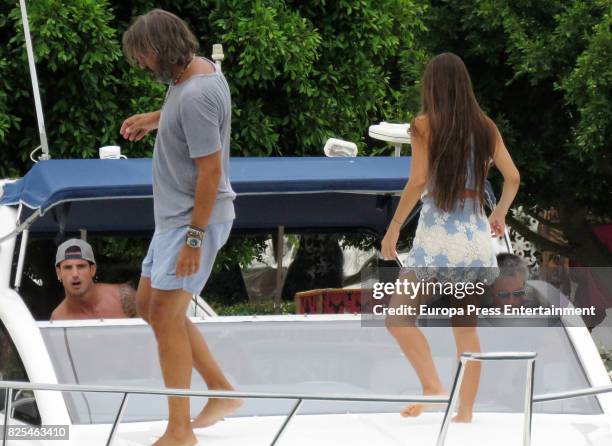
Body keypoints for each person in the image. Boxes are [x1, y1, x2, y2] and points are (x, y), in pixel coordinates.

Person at [121, 9, 240, 446]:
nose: (140, 65)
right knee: (150, 306)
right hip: (172, 219)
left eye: (141, 57)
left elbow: (210, 173)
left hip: (193, 222)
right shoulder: (195, 76)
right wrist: (151, 119)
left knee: (167, 317)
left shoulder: (194, 94)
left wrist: (194, 237)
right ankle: (222, 392)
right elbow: (189, 116)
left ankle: (179, 430)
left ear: (158, 49)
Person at [381, 53, 520, 422]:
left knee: (399, 317)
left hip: (438, 235)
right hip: (474, 238)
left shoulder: (424, 124)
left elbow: (419, 180)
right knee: (465, 330)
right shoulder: (485, 126)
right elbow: (513, 177)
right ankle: (465, 414)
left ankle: (432, 387)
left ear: (431, 86)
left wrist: (394, 227)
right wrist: (500, 212)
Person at [51, 239, 137, 320]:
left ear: (92, 270)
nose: (75, 274)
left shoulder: (122, 297)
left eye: (81, 266)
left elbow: (149, 328)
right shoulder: (58, 318)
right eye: (68, 268)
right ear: (58, 272)